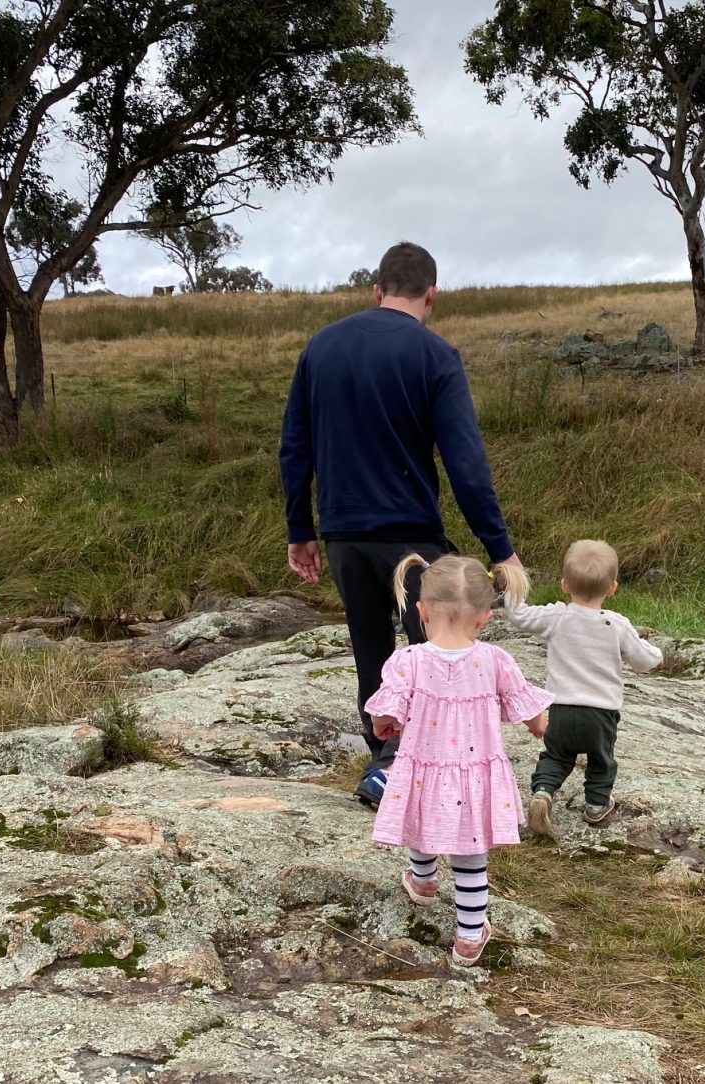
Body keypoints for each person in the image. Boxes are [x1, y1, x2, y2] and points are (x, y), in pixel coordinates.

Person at [280, 242, 521, 809]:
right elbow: (466, 465)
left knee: (372, 648)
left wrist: (301, 528)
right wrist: (499, 548)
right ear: (431, 294)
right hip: (409, 537)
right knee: (437, 651)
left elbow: (295, 447)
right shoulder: (436, 356)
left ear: (376, 290)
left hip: (341, 532)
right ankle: (407, 768)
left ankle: (382, 757)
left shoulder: (321, 347)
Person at [366, 553, 551, 966]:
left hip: (423, 768)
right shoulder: (495, 660)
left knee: (420, 819)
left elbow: (385, 711)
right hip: (475, 775)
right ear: (484, 617)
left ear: (421, 611)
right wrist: (539, 725)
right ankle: (469, 936)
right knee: (470, 856)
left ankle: (424, 880)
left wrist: (384, 725)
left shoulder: (407, 661)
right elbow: (530, 711)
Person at [503, 539, 662, 833]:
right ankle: (597, 806)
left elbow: (519, 615)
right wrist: (658, 656)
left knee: (555, 756)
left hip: (561, 709)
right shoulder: (616, 625)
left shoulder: (557, 617)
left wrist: (514, 584)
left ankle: (543, 792)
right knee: (601, 760)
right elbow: (643, 659)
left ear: (564, 584)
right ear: (612, 587)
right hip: (601, 714)